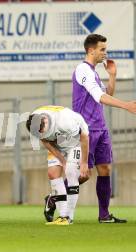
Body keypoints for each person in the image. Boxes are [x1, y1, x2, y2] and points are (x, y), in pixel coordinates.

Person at [69, 34, 136, 223]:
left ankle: (104, 215)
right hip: (85, 130)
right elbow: (99, 96)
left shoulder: (94, 72)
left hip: (101, 128)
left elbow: (106, 95)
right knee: (83, 175)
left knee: (105, 169)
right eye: (102, 49)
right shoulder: (83, 70)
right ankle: (55, 197)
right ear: (91, 50)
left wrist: (112, 76)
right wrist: (126, 105)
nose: (105, 53)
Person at [27, 106, 89, 225]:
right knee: (53, 174)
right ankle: (62, 216)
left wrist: (84, 162)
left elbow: (84, 137)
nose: (40, 134)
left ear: (45, 121)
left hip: (74, 142)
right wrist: (63, 161)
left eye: (42, 131)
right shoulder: (34, 121)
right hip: (56, 143)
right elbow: (45, 141)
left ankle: (69, 217)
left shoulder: (65, 121)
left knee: (71, 172)